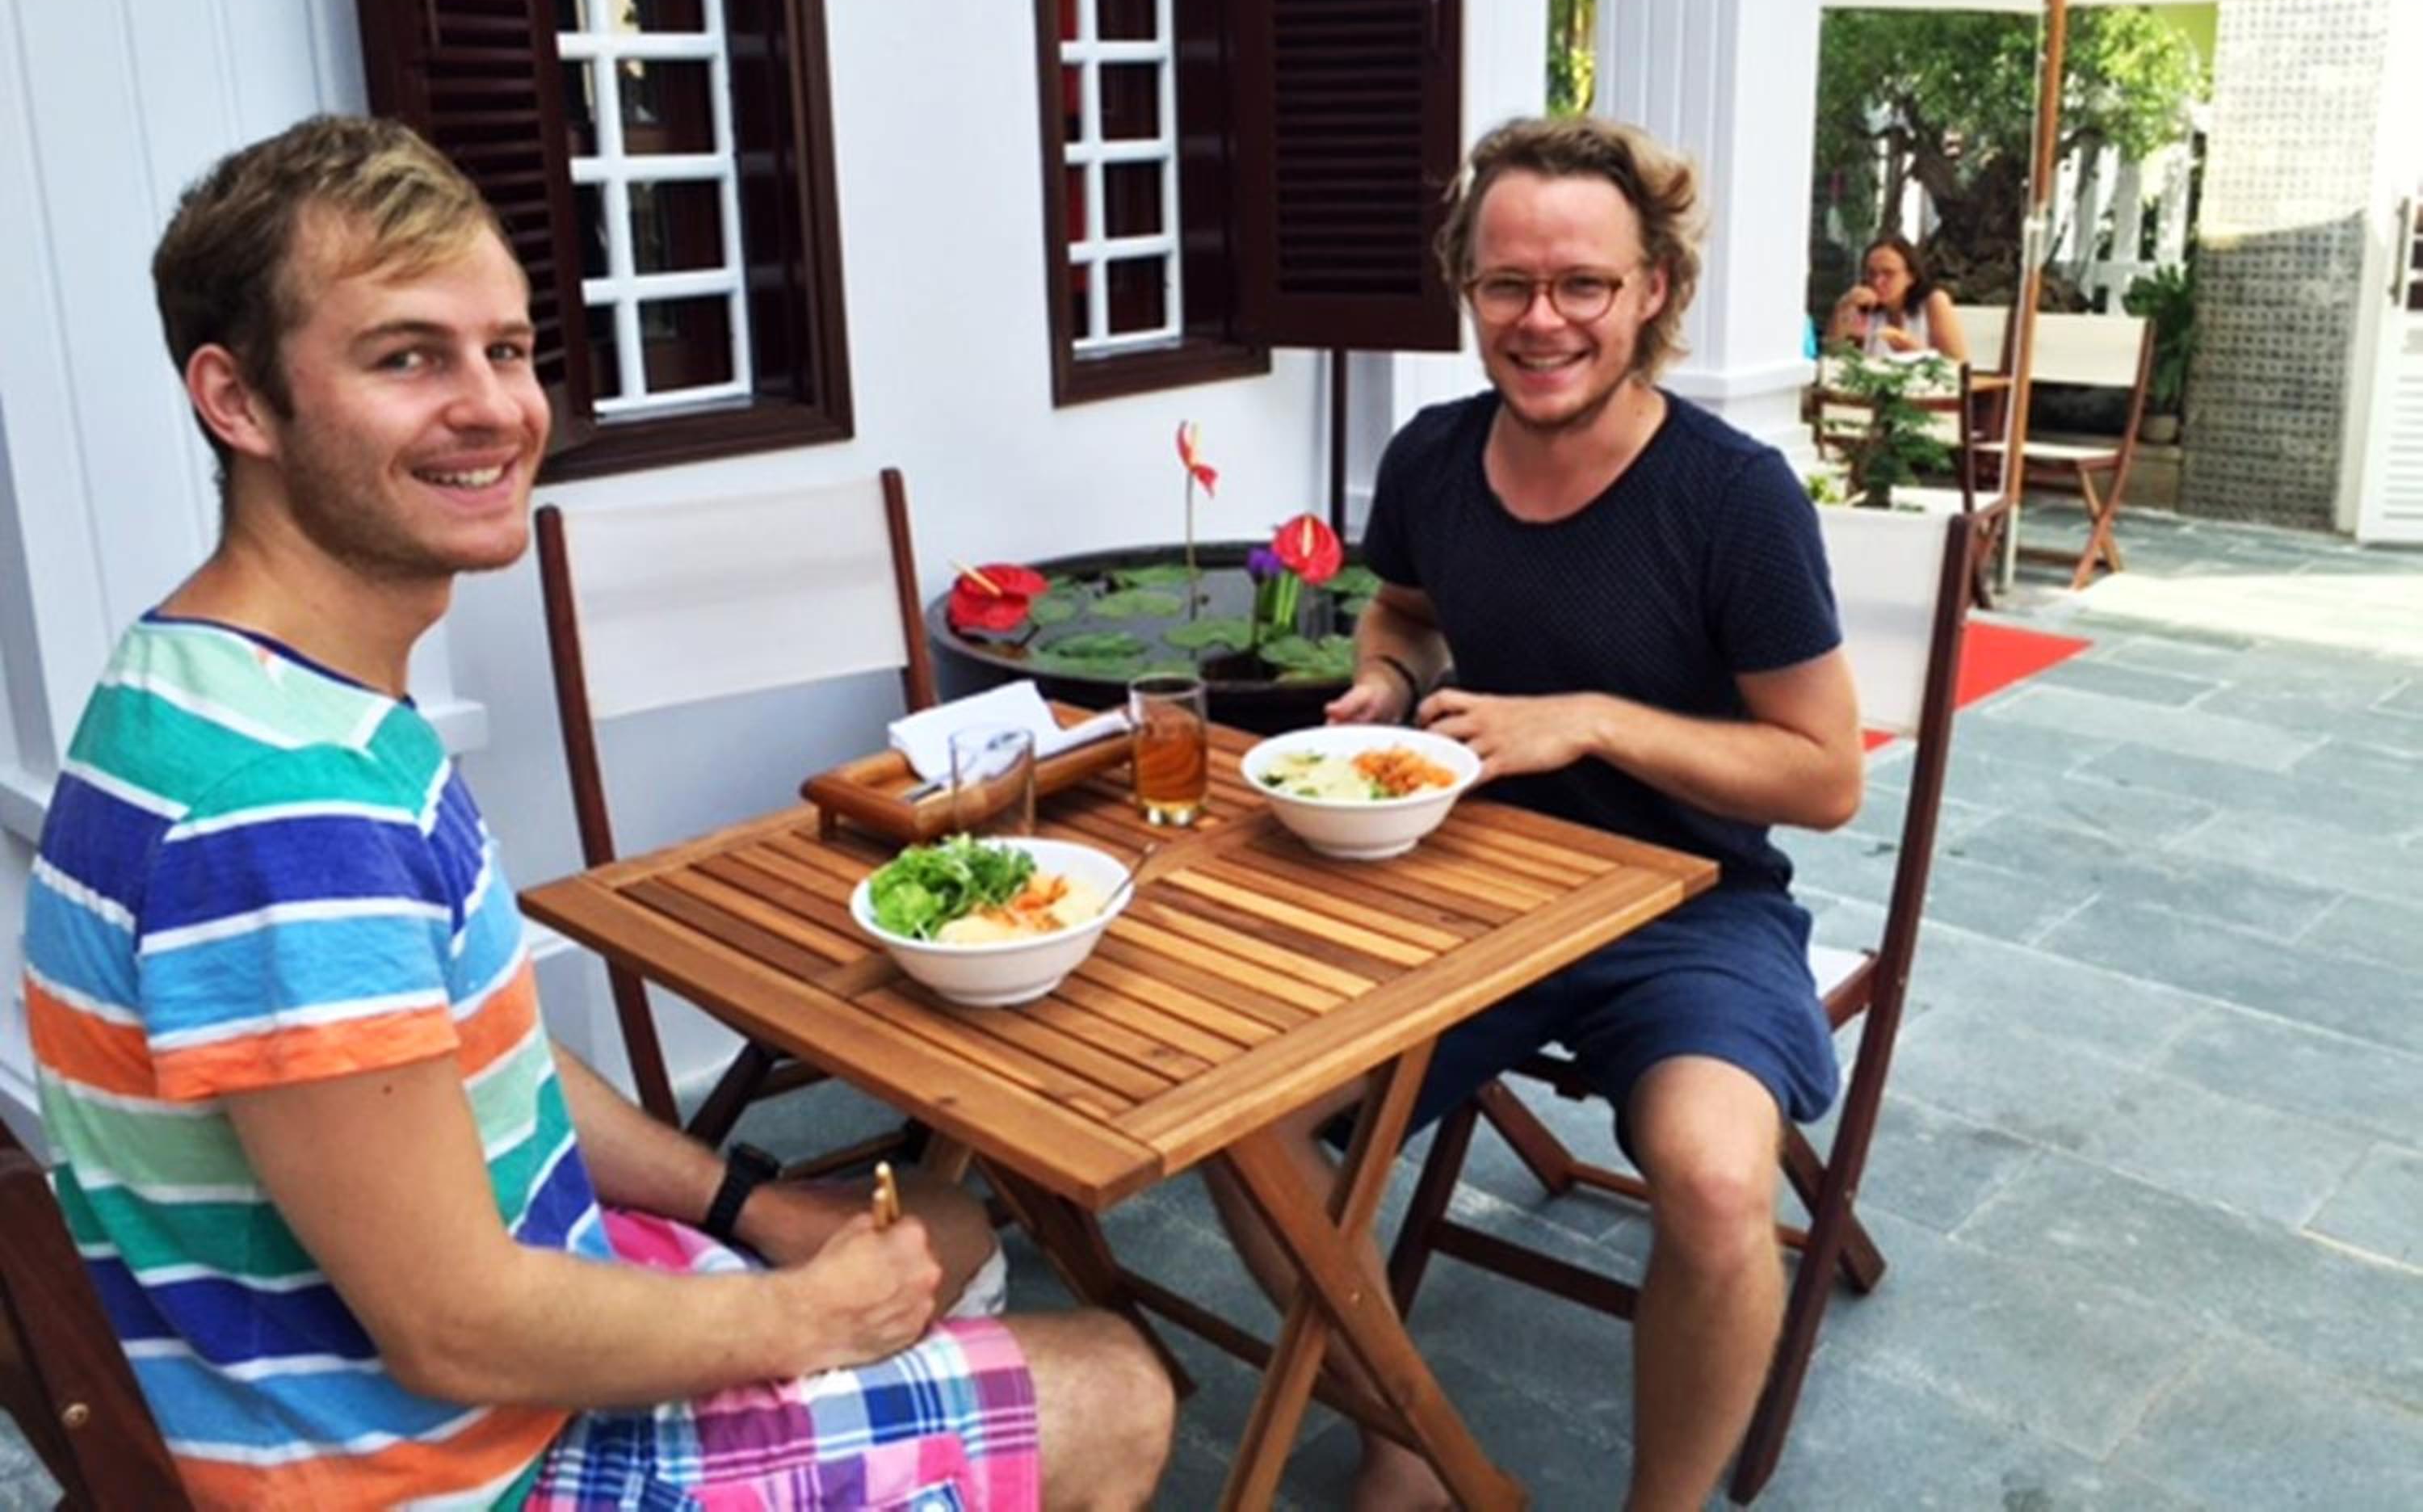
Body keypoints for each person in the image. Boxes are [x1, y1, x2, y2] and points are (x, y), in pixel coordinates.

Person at [20, 116, 1174, 1510]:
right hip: (467, 1471)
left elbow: (480, 1062)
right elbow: (454, 1327)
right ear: (239, 401)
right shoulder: (281, 809)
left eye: (506, 350)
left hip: (439, 1378)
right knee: (1115, 1382)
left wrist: (748, 1202)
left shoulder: (239, 689)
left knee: (946, 1228)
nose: (494, 407)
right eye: (406, 356)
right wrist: (803, 1317)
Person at [1212, 116, 1864, 1512]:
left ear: (1652, 290)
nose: (1542, 318)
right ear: (1468, 287)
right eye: (1507, 282)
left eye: (1583, 283)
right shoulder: (1435, 455)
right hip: (1464, 888)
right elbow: (1405, 609)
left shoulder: (1733, 497)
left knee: (1714, 1181)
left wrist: (1594, 720)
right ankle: (1409, 1453)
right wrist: (1389, 680)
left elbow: (1825, 776)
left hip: (1687, 905)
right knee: (1240, 1131)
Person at [1827, 231, 1969, 362]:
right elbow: (1833, 359)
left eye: (1889, 273)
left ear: (1911, 277)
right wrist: (1842, 310)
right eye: (1871, 273)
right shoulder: (1862, 308)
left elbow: (1958, 364)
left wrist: (1916, 353)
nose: (1877, 282)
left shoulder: (1933, 302)